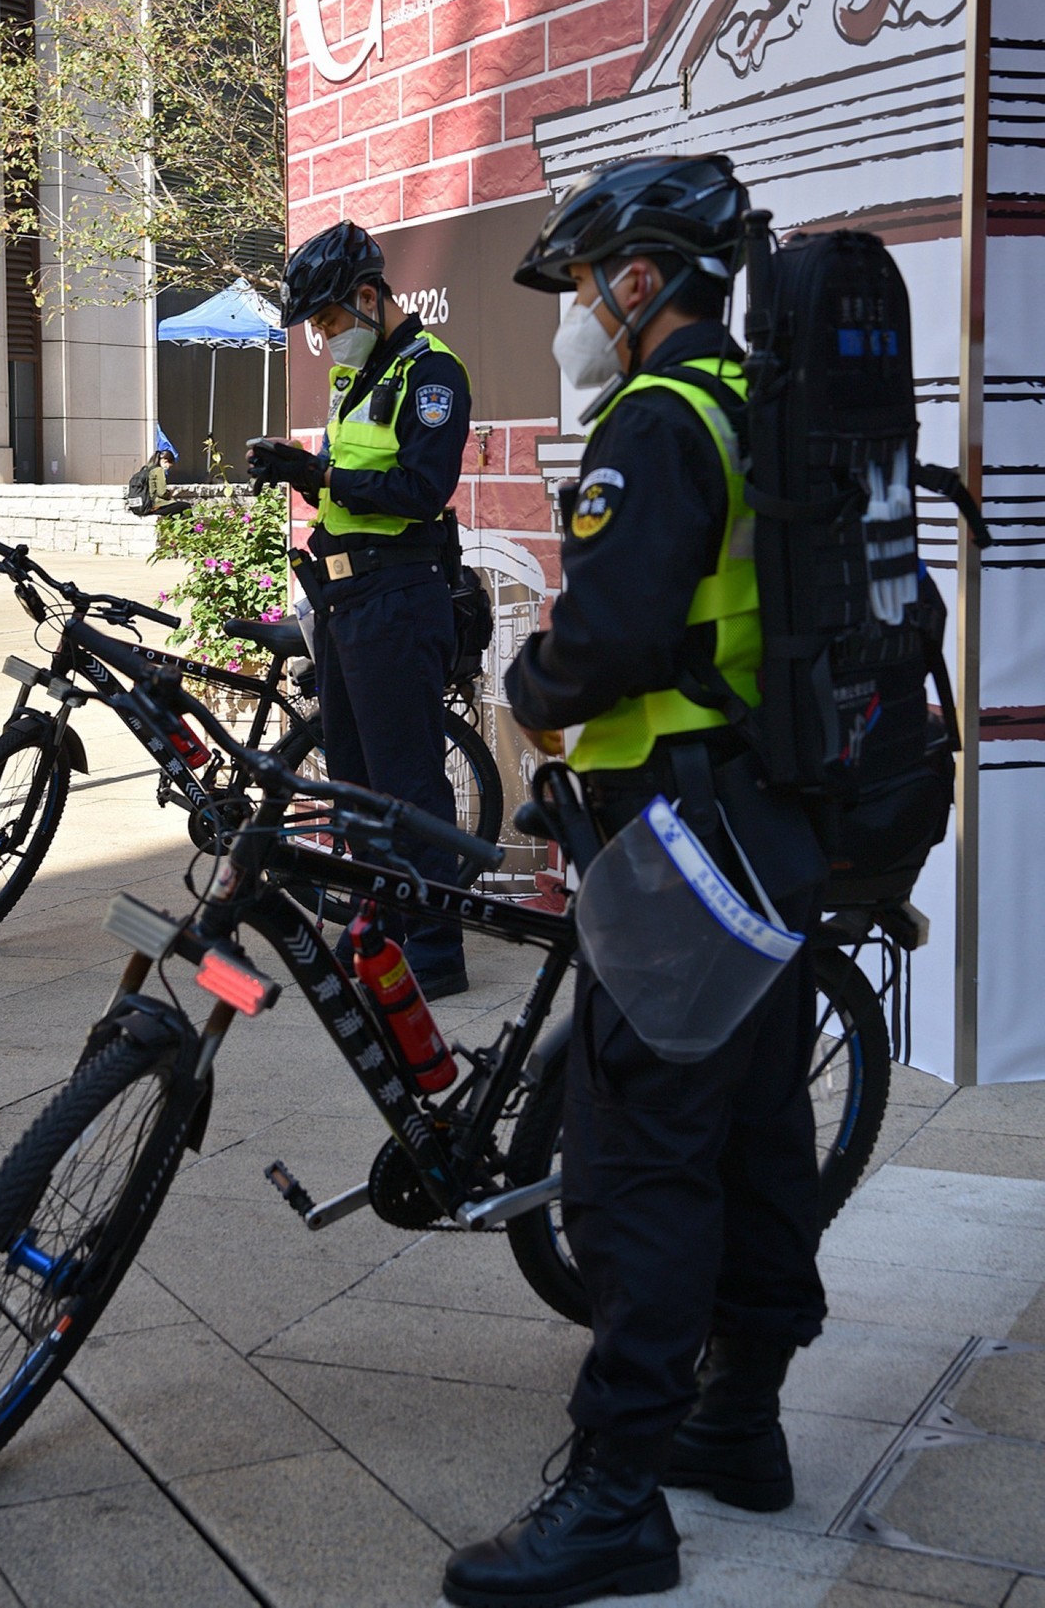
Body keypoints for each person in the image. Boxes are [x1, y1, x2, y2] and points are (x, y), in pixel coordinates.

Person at [442, 155, 827, 1606]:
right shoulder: (757, 403)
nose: (568, 320)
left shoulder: (656, 423)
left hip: (679, 841)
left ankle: (613, 1499)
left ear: (642, 281)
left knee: (635, 1163)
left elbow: (600, 644)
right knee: (754, 1130)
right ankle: (742, 1421)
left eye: (578, 289)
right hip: (780, 828)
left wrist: (527, 688)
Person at [247, 222, 472, 1000]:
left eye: (330, 320)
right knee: (351, 780)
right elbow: (348, 485)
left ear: (370, 296)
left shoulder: (431, 373)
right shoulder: (358, 381)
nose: (324, 337)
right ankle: (380, 927)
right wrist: (300, 474)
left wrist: (323, 475)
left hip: (398, 600)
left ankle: (437, 948)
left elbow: (419, 491)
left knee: (407, 782)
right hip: (345, 599)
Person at [146, 428, 192, 517]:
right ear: (165, 461)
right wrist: (169, 493)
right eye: (169, 465)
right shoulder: (158, 470)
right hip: (155, 506)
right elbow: (161, 493)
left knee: (177, 510)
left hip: (144, 505)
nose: (167, 468)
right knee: (186, 506)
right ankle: (191, 530)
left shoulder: (146, 469)